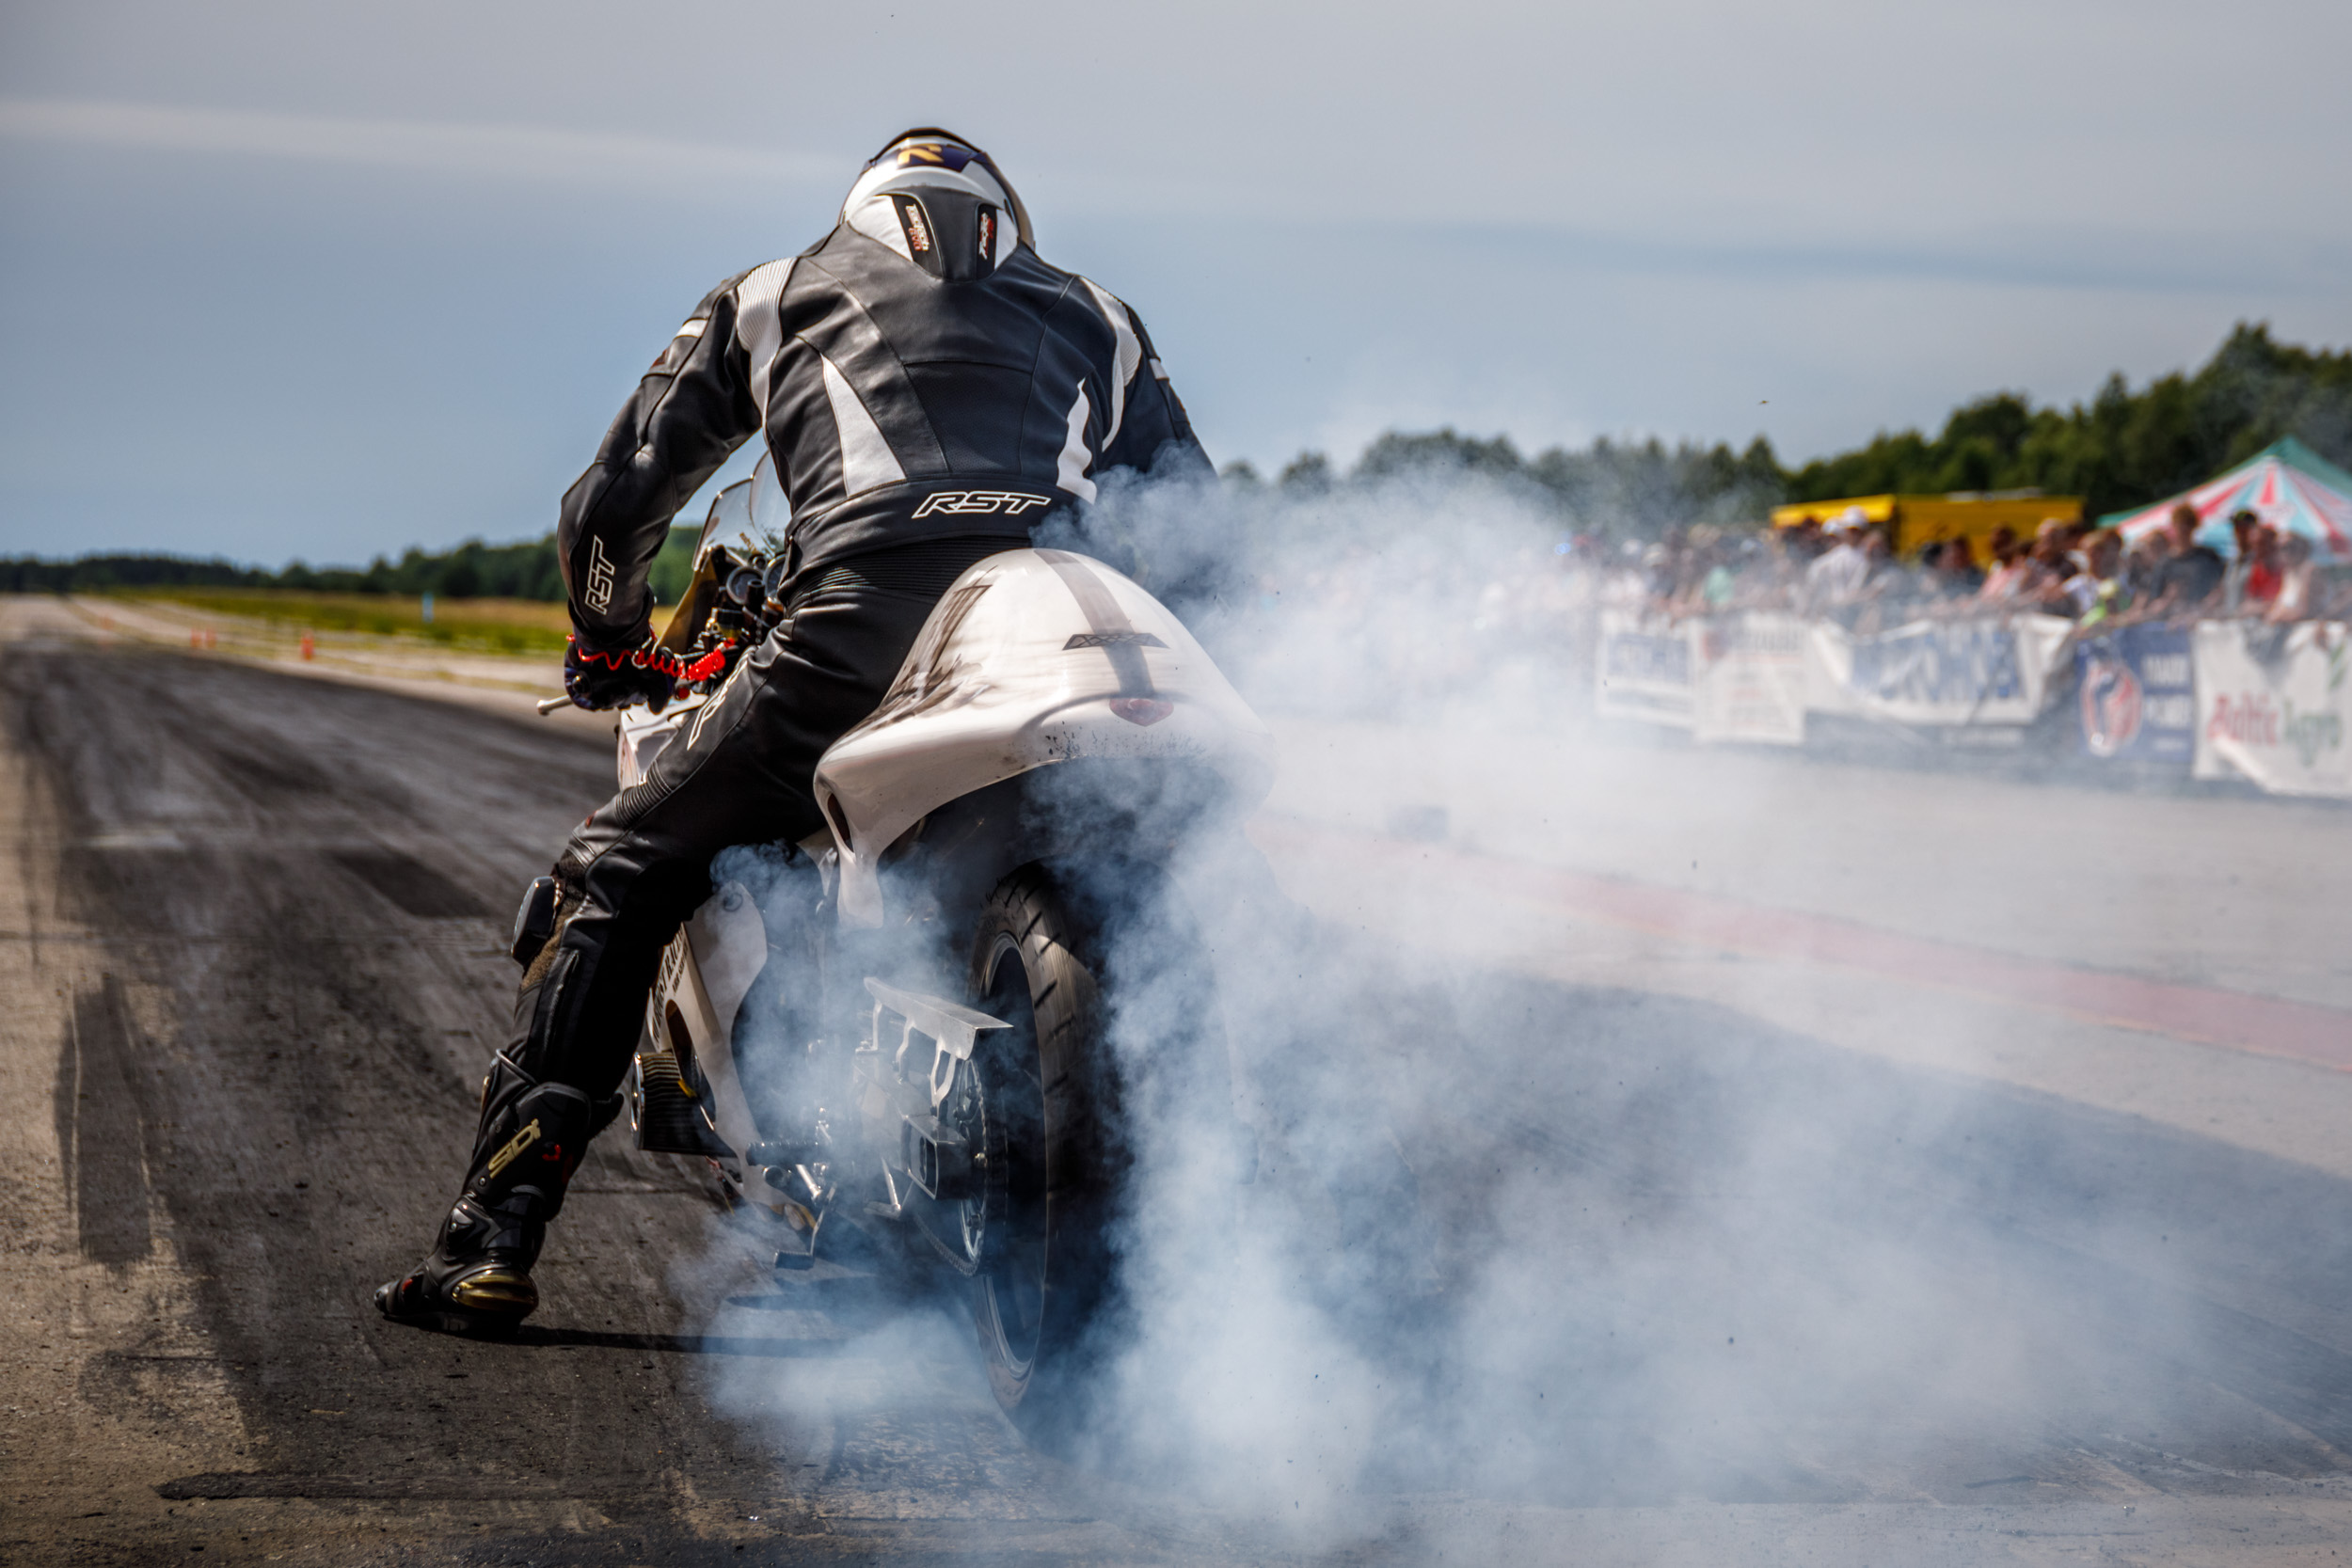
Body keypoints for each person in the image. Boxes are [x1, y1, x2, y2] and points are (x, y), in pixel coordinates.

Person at [374, 128, 1211, 1334]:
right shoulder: (1102, 316)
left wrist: (609, 638)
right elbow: (1198, 521)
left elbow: (613, 503)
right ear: (1004, 220)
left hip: (858, 628)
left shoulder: (775, 292)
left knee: (619, 867)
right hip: (1061, 631)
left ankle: (489, 1239)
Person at [2150, 502, 2225, 618]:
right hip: (2170, 622)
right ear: (2173, 526)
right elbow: (2154, 605)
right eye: (2180, 524)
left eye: (2187, 523)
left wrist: (2199, 610)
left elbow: (2220, 590)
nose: (2184, 529)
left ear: (2194, 526)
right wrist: (2168, 599)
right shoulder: (2165, 563)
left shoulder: (2208, 557)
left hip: (2202, 619)